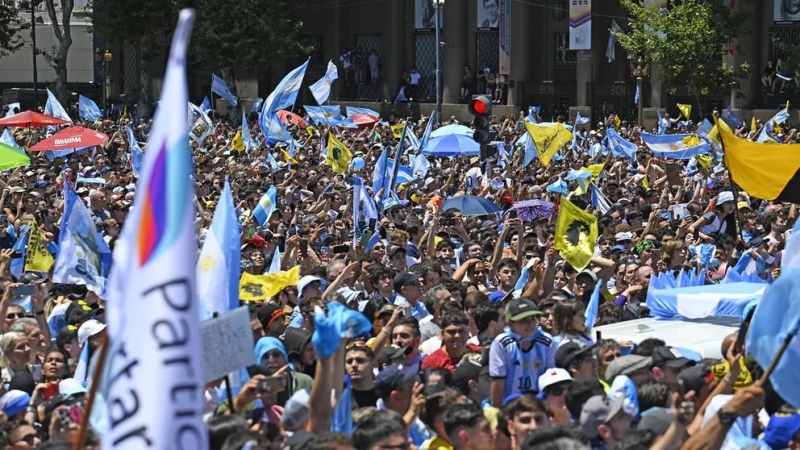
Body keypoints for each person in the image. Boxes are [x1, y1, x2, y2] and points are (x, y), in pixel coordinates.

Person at [489, 298, 556, 407]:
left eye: (533, 319)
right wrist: (498, 411)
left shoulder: (546, 341)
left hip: (540, 403)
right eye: (523, 320)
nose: (530, 324)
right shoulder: (502, 343)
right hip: (510, 404)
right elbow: (498, 381)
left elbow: (551, 376)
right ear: (510, 323)